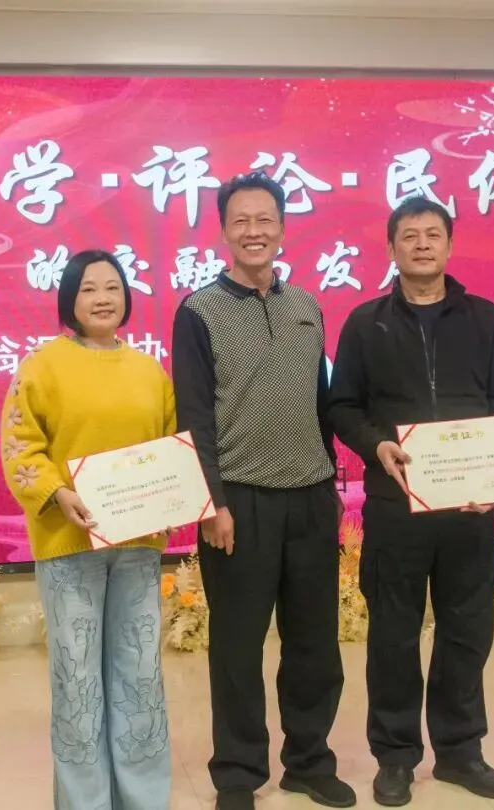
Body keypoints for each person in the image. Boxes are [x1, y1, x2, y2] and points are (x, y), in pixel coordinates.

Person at [327, 195, 494, 806]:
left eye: (432, 233)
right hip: (396, 506)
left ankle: (461, 753)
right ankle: (395, 757)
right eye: (409, 234)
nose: (421, 243)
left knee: (467, 631)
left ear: (449, 244)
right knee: (393, 634)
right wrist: (377, 446)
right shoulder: (366, 323)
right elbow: (342, 407)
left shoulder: (485, 319)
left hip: (470, 508)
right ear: (391, 247)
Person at [171, 172, 356, 810]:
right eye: (241, 221)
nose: (254, 231)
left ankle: (309, 762)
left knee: (314, 643)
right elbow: (194, 416)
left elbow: (320, 404)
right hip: (238, 503)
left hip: (309, 497)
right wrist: (212, 503)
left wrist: (331, 482)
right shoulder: (199, 311)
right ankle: (238, 774)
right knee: (237, 648)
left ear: (282, 227)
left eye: (265, 220)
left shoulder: (307, 306)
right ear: (224, 231)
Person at [0, 249, 175, 810]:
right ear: (69, 300)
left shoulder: (150, 371)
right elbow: (19, 446)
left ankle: (145, 798)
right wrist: (57, 492)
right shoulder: (41, 367)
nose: (103, 299)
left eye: (113, 288)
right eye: (89, 289)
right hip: (69, 543)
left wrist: (173, 495)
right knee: (77, 682)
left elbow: (170, 447)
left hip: (137, 546)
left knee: (140, 675)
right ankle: (85, 802)